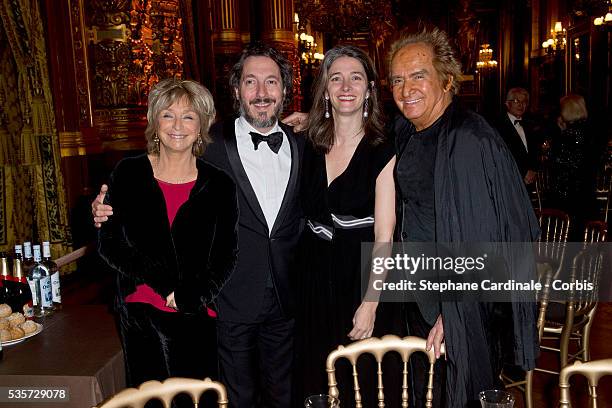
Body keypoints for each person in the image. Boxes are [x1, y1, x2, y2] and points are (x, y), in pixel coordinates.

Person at [94, 43, 303, 408]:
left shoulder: (302, 146)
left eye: (271, 82)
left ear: (285, 90)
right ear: (236, 90)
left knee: (280, 394)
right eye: (251, 81)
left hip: (274, 299)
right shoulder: (213, 148)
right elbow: (113, 236)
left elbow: (228, 246)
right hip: (216, 304)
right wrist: (100, 210)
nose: (262, 92)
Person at [388, 27, 540, 407]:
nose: (407, 89)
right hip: (418, 294)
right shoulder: (408, 130)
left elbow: (497, 235)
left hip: (460, 303)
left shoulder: (470, 139)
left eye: (419, 76)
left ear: (447, 80)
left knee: (461, 394)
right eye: (398, 79)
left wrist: (453, 312)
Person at [97, 79, 239, 391]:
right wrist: (163, 283)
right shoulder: (128, 172)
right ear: (154, 121)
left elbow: (226, 255)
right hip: (140, 311)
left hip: (196, 314)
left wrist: (192, 296)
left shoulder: (220, 185)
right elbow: (110, 243)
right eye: (167, 115)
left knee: (197, 398)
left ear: (202, 125)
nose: (177, 125)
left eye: (188, 116)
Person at [292, 45, 397, 406]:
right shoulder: (307, 144)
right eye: (336, 78)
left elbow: (385, 235)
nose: (346, 85)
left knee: (362, 382)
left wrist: (371, 303)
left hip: (361, 275)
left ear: (370, 88)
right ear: (325, 89)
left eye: (356, 77)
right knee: (317, 376)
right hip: (313, 276)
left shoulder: (384, 147)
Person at [550, 94, 599, 234]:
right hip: (586, 190)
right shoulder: (589, 130)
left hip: (569, 193)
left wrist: (560, 134)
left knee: (569, 233)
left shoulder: (570, 134)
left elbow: (560, 161)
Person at [495, 87, 539, 185]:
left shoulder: (530, 125)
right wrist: (523, 172)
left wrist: (533, 170)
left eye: (524, 102)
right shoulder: (499, 126)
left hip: (529, 180)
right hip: (509, 179)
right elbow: (503, 154)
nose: (521, 105)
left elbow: (535, 151)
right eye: (516, 101)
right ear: (507, 103)